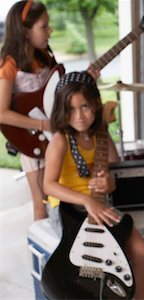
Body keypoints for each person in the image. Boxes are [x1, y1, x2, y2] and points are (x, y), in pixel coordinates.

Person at [43, 72, 144, 299]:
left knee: (140, 250)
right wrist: (86, 200)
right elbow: (49, 185)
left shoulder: (101, 135)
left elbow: (115, 170)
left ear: (96, 104)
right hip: (67, 205)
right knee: (83, 254)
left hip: (98, 205)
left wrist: (109, 183)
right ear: (62, 110)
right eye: (71, 109)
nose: (79, 116)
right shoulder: (60, 140)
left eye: (85, 107)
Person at [0, 0, 99, 221]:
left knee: (59, 196)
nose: (50, 31)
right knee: (41, 204)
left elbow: (56, 93)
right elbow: (1, 112)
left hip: (54, 137)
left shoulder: (44, 56)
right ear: (25, 31)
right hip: (32, 139)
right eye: (44, 26)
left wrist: (84, 81)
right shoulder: (9, 64)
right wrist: (44, 125)